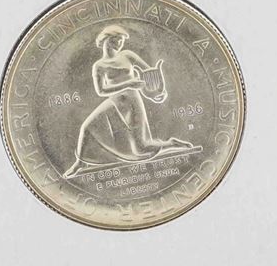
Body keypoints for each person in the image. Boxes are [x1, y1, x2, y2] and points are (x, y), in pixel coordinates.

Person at [63, 25, 193, 178]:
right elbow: (101, 91)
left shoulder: (127, 55)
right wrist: (128, 84)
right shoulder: (99, 66)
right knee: (86, 127)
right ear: (107, 40)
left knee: (141, 147)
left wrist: (156, 91)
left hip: (132, 101)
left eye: (121, 41)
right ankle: (79, 164)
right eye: (117, 39)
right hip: (114, 102)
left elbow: (148, 74)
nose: (120, 43)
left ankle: (172, 143)